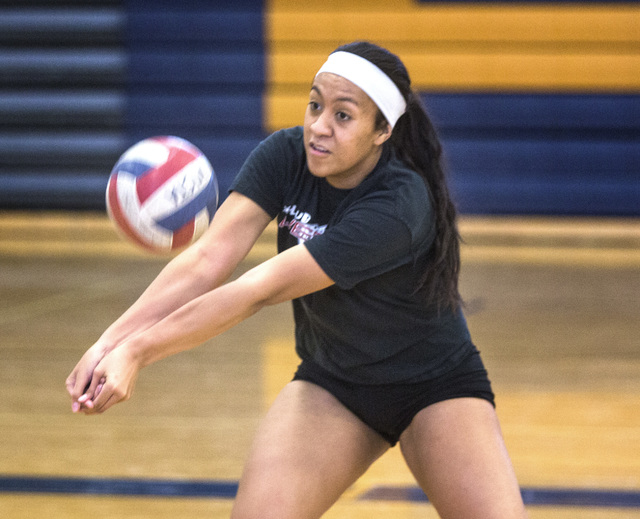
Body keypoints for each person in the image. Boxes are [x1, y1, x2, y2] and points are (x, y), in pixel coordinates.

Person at [66, 41, 528, 518]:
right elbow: (206, 260)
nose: (318, 127)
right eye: (314, 105)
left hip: (434, 386)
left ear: (382, 131)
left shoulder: (399, 205)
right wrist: (110, 342)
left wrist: (138, 352)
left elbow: (258, 290)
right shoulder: (286, 156)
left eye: (343, 116)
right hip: (335, 384)